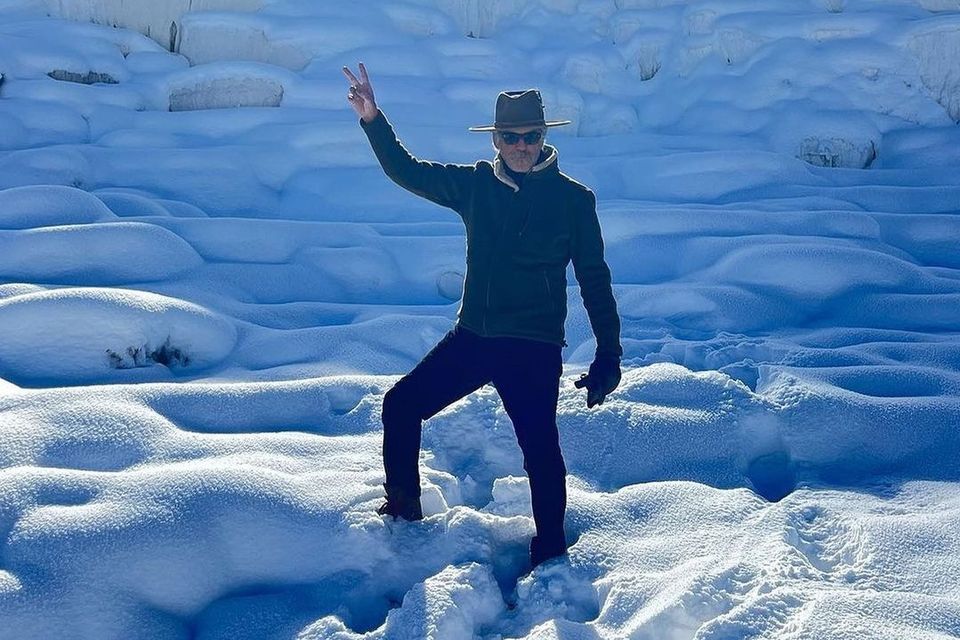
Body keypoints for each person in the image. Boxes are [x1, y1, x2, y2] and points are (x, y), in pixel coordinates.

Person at [343, 63, 622, 568]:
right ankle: (404, 513)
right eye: (511, 137)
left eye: (531, 136)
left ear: (543, 137)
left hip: (533, 347)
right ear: (496, 140)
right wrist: (372, 119)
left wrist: (608, 354)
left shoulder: (574, 201)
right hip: (474, 338)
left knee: (540, 449)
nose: (522, 146)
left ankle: (551, 549)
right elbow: (407, 171)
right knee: (400, 406)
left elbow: (595, 281)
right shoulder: (475, 186)